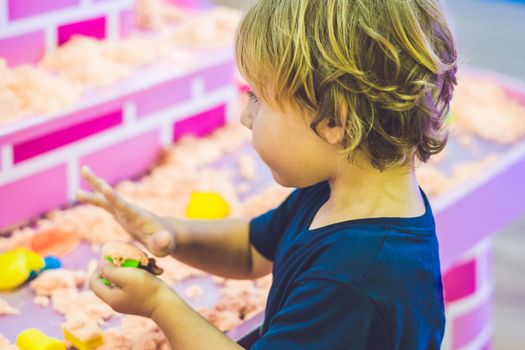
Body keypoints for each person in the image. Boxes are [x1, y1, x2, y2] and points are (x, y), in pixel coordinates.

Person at [79, 0, 457, 348]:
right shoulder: (341, 190)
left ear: (333, 120)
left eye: (257, 97)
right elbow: (252, 248)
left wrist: (158, 304)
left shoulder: (353, 278)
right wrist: (169, 234)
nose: (245, 117)